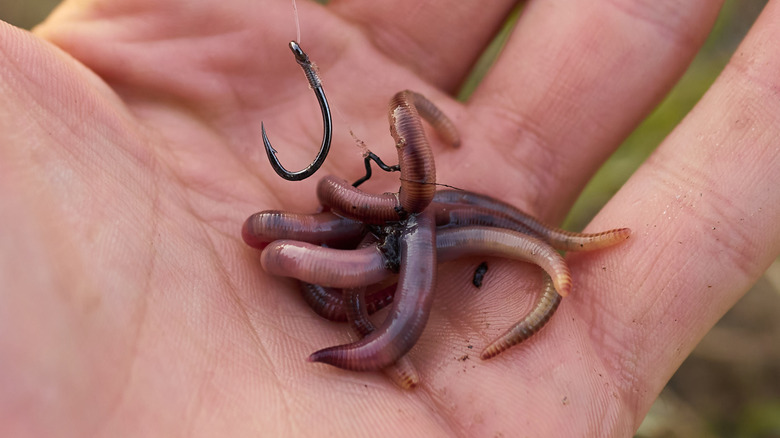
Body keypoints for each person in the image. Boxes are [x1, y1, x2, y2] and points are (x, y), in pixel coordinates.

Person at [1, 1, 777, 436]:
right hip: (371, 253)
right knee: (364, 240)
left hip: (381, 245)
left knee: (434, 232)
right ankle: (545, 256)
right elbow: (278, 244)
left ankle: (555, 252)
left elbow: (316, 236)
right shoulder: (365, 232)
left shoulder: (400, 223)